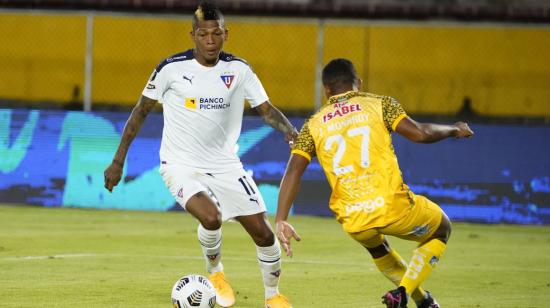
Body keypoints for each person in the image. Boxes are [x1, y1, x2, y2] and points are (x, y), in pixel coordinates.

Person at [103, 2, 297, 307]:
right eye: (204, 34)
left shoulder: (239, 70)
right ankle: (216, 273)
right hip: (179, 164)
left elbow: (266, 110)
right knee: (211, 216)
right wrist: (118, 160)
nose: (210, 40)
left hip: (225, 164)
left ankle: (273, 296)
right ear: (193, 35)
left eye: (216, 33)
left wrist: (291, 133)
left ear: (226, 34)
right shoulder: (170, 69)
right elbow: (140, 110)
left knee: (263, 234)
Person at [275, 58, 474, 308]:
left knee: (378, 249)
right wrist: (454, 129)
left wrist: (281, 218)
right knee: (442, 228)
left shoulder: (313, 125)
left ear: (326, 90)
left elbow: (294, 169)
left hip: (353, 218)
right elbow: (421, 133)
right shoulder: (380, 104)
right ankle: (402, 292)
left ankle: (423, 301)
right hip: (391, 206)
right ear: (358, 82)